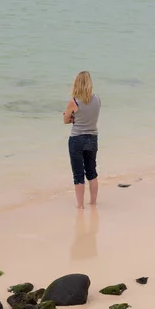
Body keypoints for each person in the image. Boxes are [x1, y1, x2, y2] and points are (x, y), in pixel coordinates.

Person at [63, 71, 101, 209]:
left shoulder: (73, 102)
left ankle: (80, 205)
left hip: (77, 138)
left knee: (78, 174)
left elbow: (66, 120)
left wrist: (72, 118)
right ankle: (93, 202)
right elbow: (92, 115)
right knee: (92, 171)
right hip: (92, 137)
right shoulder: (97, 99)